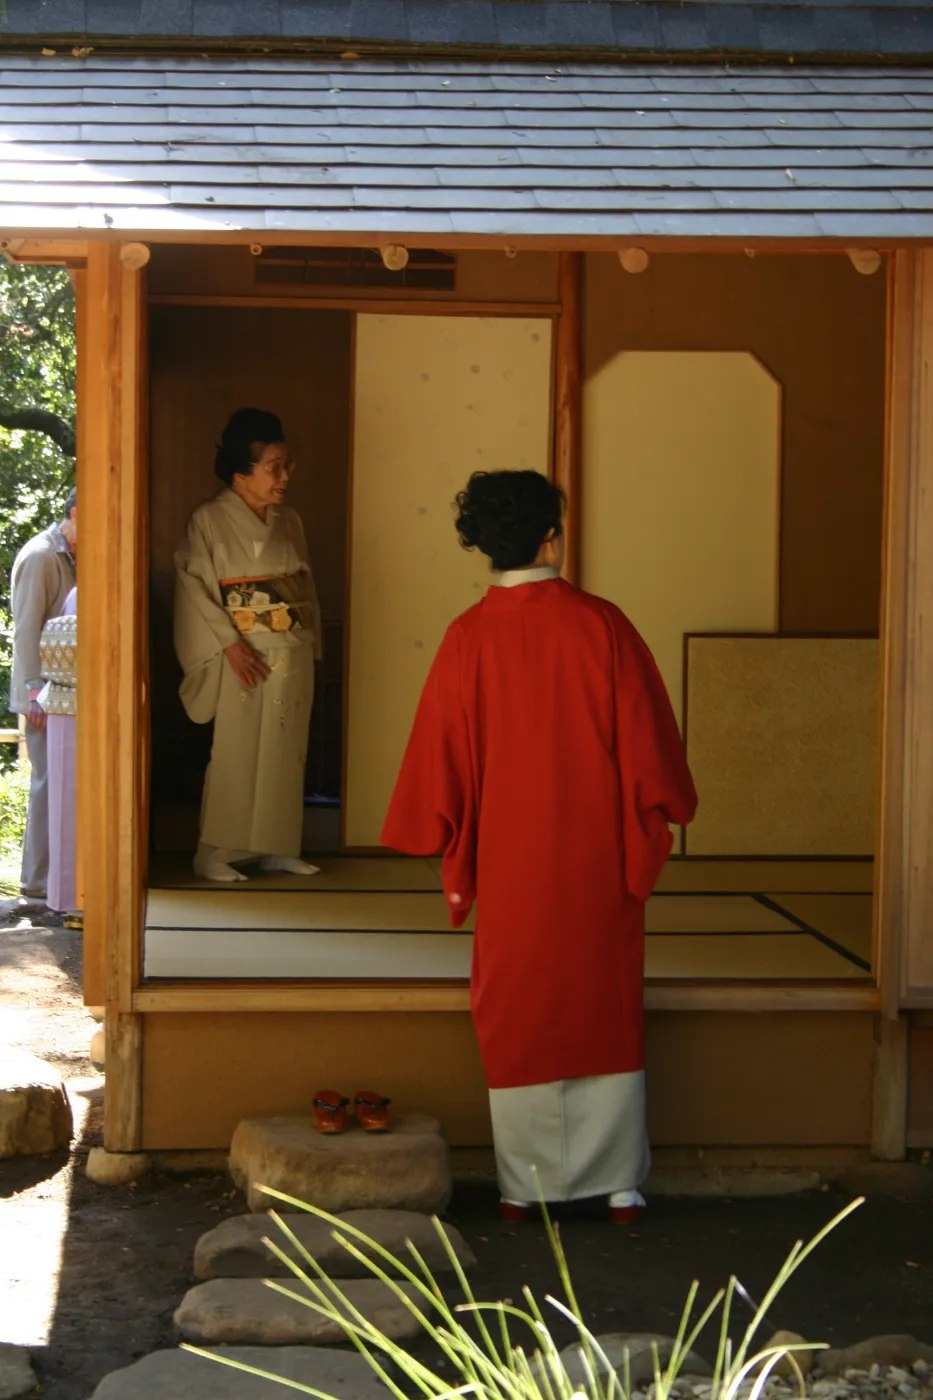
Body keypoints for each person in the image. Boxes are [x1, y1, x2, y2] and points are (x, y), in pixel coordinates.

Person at [382, 470, 697, 1223]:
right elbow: (653, 752)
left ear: (486, 545)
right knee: (601, 996)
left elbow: (439, 764)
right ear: (550, 534)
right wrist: (659, 809)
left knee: (519, 1000)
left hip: (510, 857)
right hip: (595, 852)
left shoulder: (467, 638)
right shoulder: (602, 626)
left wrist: (445, 837)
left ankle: (524, 1186)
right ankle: (618, 1180)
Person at [174, 408, 322, 883]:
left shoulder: (290, 519)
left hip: (291, 647)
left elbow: (305, 586)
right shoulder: (209, 519)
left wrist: (312, 640)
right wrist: (229, 645)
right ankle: (215, 852)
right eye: (273, 467)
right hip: (241, 652)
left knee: (286, 748)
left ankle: (277, 847)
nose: (284, 476)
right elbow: (194, 587)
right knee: (238, 750)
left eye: (286, 465)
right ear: (242, 473)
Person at [10, 489, 77, 904]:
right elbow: (26, 631)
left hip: (63, 693)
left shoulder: (70, 554)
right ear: (75, 512)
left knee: (57, 782)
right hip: (43, 694)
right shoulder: (41, 556)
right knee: (46, 783)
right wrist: (35, 696)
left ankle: (55, 879)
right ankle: (36, 884)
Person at [38, 585, 79, 918]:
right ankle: (69, 895)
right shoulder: (81, 595)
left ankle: (67, 895)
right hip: (73, 699)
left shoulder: (78, 593)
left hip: (66, 700)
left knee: (68, 799)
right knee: (68, 799)